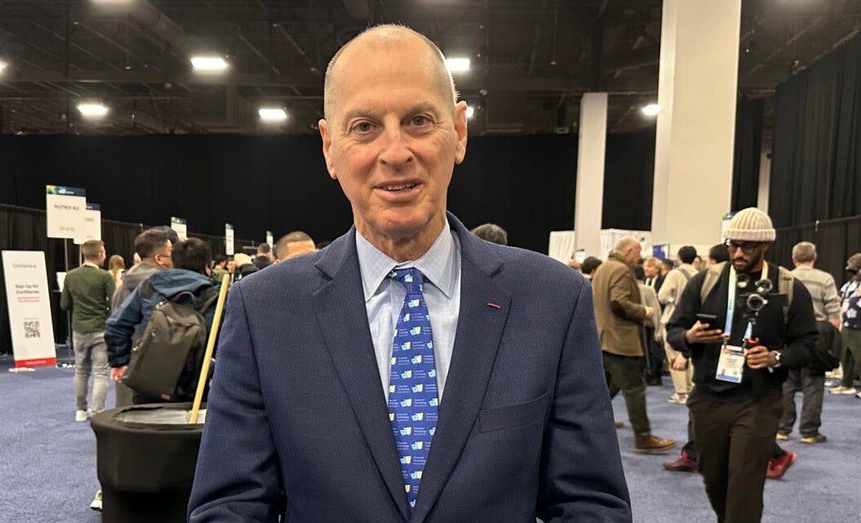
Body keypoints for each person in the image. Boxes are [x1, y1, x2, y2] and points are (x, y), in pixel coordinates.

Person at [188, 24, 631, 522]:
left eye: (419, 120)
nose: (396, 152)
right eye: (364, 127)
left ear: (459, 132)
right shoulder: (263, 309)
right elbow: (230, 506)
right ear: (329, 147)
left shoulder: (553, 301)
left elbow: (589, 505)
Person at [665, 207, 816, 522]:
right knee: (714, 478)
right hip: (707, 398)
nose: (737, 253)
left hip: (759, 400)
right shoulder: (706, 282)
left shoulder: (788, 286)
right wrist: (689, 337)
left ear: (765, 245)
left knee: (745, 484)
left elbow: (808, 345)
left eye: (746, 246)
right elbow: (674, 330)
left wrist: (776, 357)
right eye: (732, 244)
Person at [106, 237, 220, 404]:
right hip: (194, 382)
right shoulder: (216, 295)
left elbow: (116, 324)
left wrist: (120, 362)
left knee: (146, 418)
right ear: (207, 267)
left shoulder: (150, 286)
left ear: (173, 261)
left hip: (149, 376)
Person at [593, 236, 675, 453]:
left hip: (604, 338)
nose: (640, 258)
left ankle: (594, 422)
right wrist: (644, 311)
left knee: (608, 386)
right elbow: (618, 302)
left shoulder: (603, 268)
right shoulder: (621, 270)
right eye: (638, 252)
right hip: (620, 339)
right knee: (634, 388)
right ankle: (643, 437)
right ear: (629, 251)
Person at [779, 241, 841, 442]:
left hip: (789, 331)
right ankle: (809, 432)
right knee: (813, 382)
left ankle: (782, 429)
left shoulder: (785, 278)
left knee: (787, 382)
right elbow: (834, 314)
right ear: (814, 257)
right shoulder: (825, 279)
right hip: (817, 331)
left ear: (794, 258)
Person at [108, 228, 174, 408]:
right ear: (159, 259)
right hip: (157, 367)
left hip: (127, 362)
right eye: (171, 253)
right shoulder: (164, 288)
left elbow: (115, 326)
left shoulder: (123, 285)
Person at [61, 240, 115, 422]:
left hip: (79, 330)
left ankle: (81, 410)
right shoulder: (105, 277)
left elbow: (65, 304)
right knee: (101, 373)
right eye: (104, 253)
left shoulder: (70, 276)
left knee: (81, 371)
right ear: (100, 255)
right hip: (100, 329)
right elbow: (113, 304)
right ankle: (97, 411)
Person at [830, 252, 861, 400]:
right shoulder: (851, 283)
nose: (854, 274)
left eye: (856, 271)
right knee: (846, 356)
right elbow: (840, 297)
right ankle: (846, 384)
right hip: (847, 324)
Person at [658, 246, 699, 404]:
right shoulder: (699, 274)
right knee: (691, 354)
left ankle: (681, 392)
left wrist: (673, 300)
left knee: (674, 354)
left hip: (673, 318)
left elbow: (662, 296)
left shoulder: (674, 274)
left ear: (679, 258)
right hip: (693, 320)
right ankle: (692, 389)